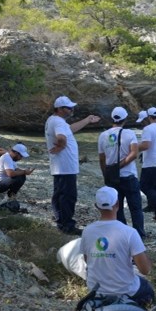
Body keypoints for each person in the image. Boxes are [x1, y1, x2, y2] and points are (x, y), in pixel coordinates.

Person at [81, 186, 154, 307]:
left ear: (96, 206)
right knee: (145, 286)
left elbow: (88, 261)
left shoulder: (87, 231)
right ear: (118, 204)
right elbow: (145, 270)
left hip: (96, 291)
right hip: (125, 291)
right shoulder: (129, 232)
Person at [45, 95, 101, 236]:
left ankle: (61, 222)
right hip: (65, 167)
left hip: (61, 166)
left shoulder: (55, 120)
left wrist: (87, 120)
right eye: (69, 108)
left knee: (59, 195)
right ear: (59, 109)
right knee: (68, 196)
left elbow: (70, 129)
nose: (72, 109)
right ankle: (67, 225)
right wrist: (60, 146)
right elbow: (62, 137)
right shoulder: (58, 122)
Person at [99, 106, 145, 238]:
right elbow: (134, 154)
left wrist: (106, 175)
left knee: (116, 208)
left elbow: (102, 159)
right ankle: (139, 235)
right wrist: (119, 166)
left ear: (112, 118)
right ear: (125, 119)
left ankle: (121, 234)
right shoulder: (129, 134)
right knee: (135, 209)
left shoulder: (103, 136)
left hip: (112, 179)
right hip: (129, 176)